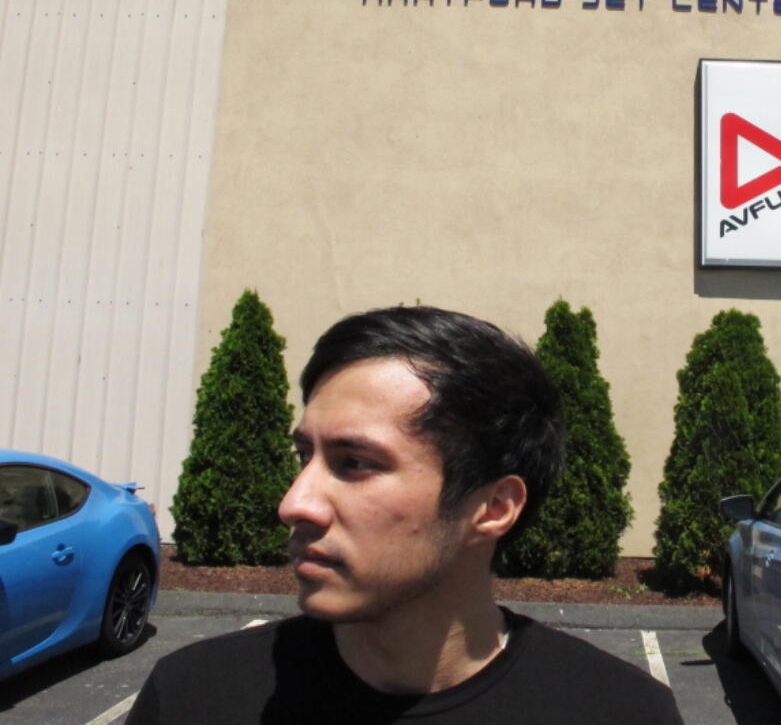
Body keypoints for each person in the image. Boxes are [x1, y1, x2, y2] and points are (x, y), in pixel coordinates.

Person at [128, 305, 684, 724]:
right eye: (305, 456)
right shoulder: (194, 697)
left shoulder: (620, 713)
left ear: (493, 508)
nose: (294, 503)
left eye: (355, 463)